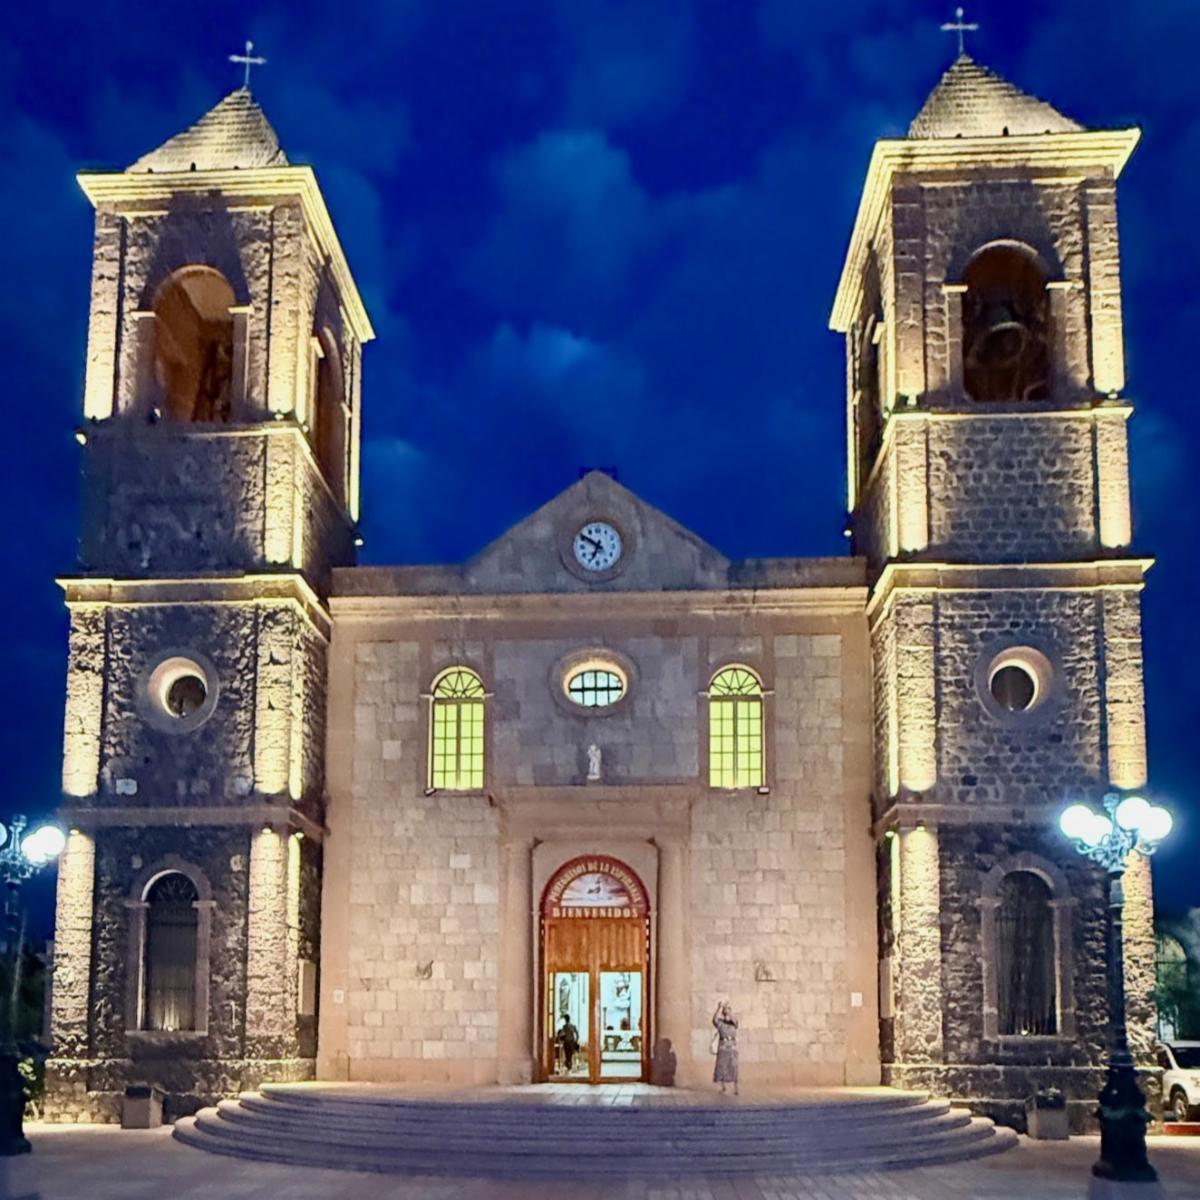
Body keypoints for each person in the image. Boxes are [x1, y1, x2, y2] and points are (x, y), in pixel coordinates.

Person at [712, 1000, 739, 1095]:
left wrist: (729, 1013)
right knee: (722, 1066)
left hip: (732, 1047)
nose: (726, 1011)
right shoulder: (720, 1023)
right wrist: (719, 1008)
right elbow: (714, 1020)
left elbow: (735, 1021)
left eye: (728, 1010)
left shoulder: (733, 1023)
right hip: (723, 1046)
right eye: (725, 1010)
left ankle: (736, 1088)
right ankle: (723, 1087)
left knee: (733, 1067)